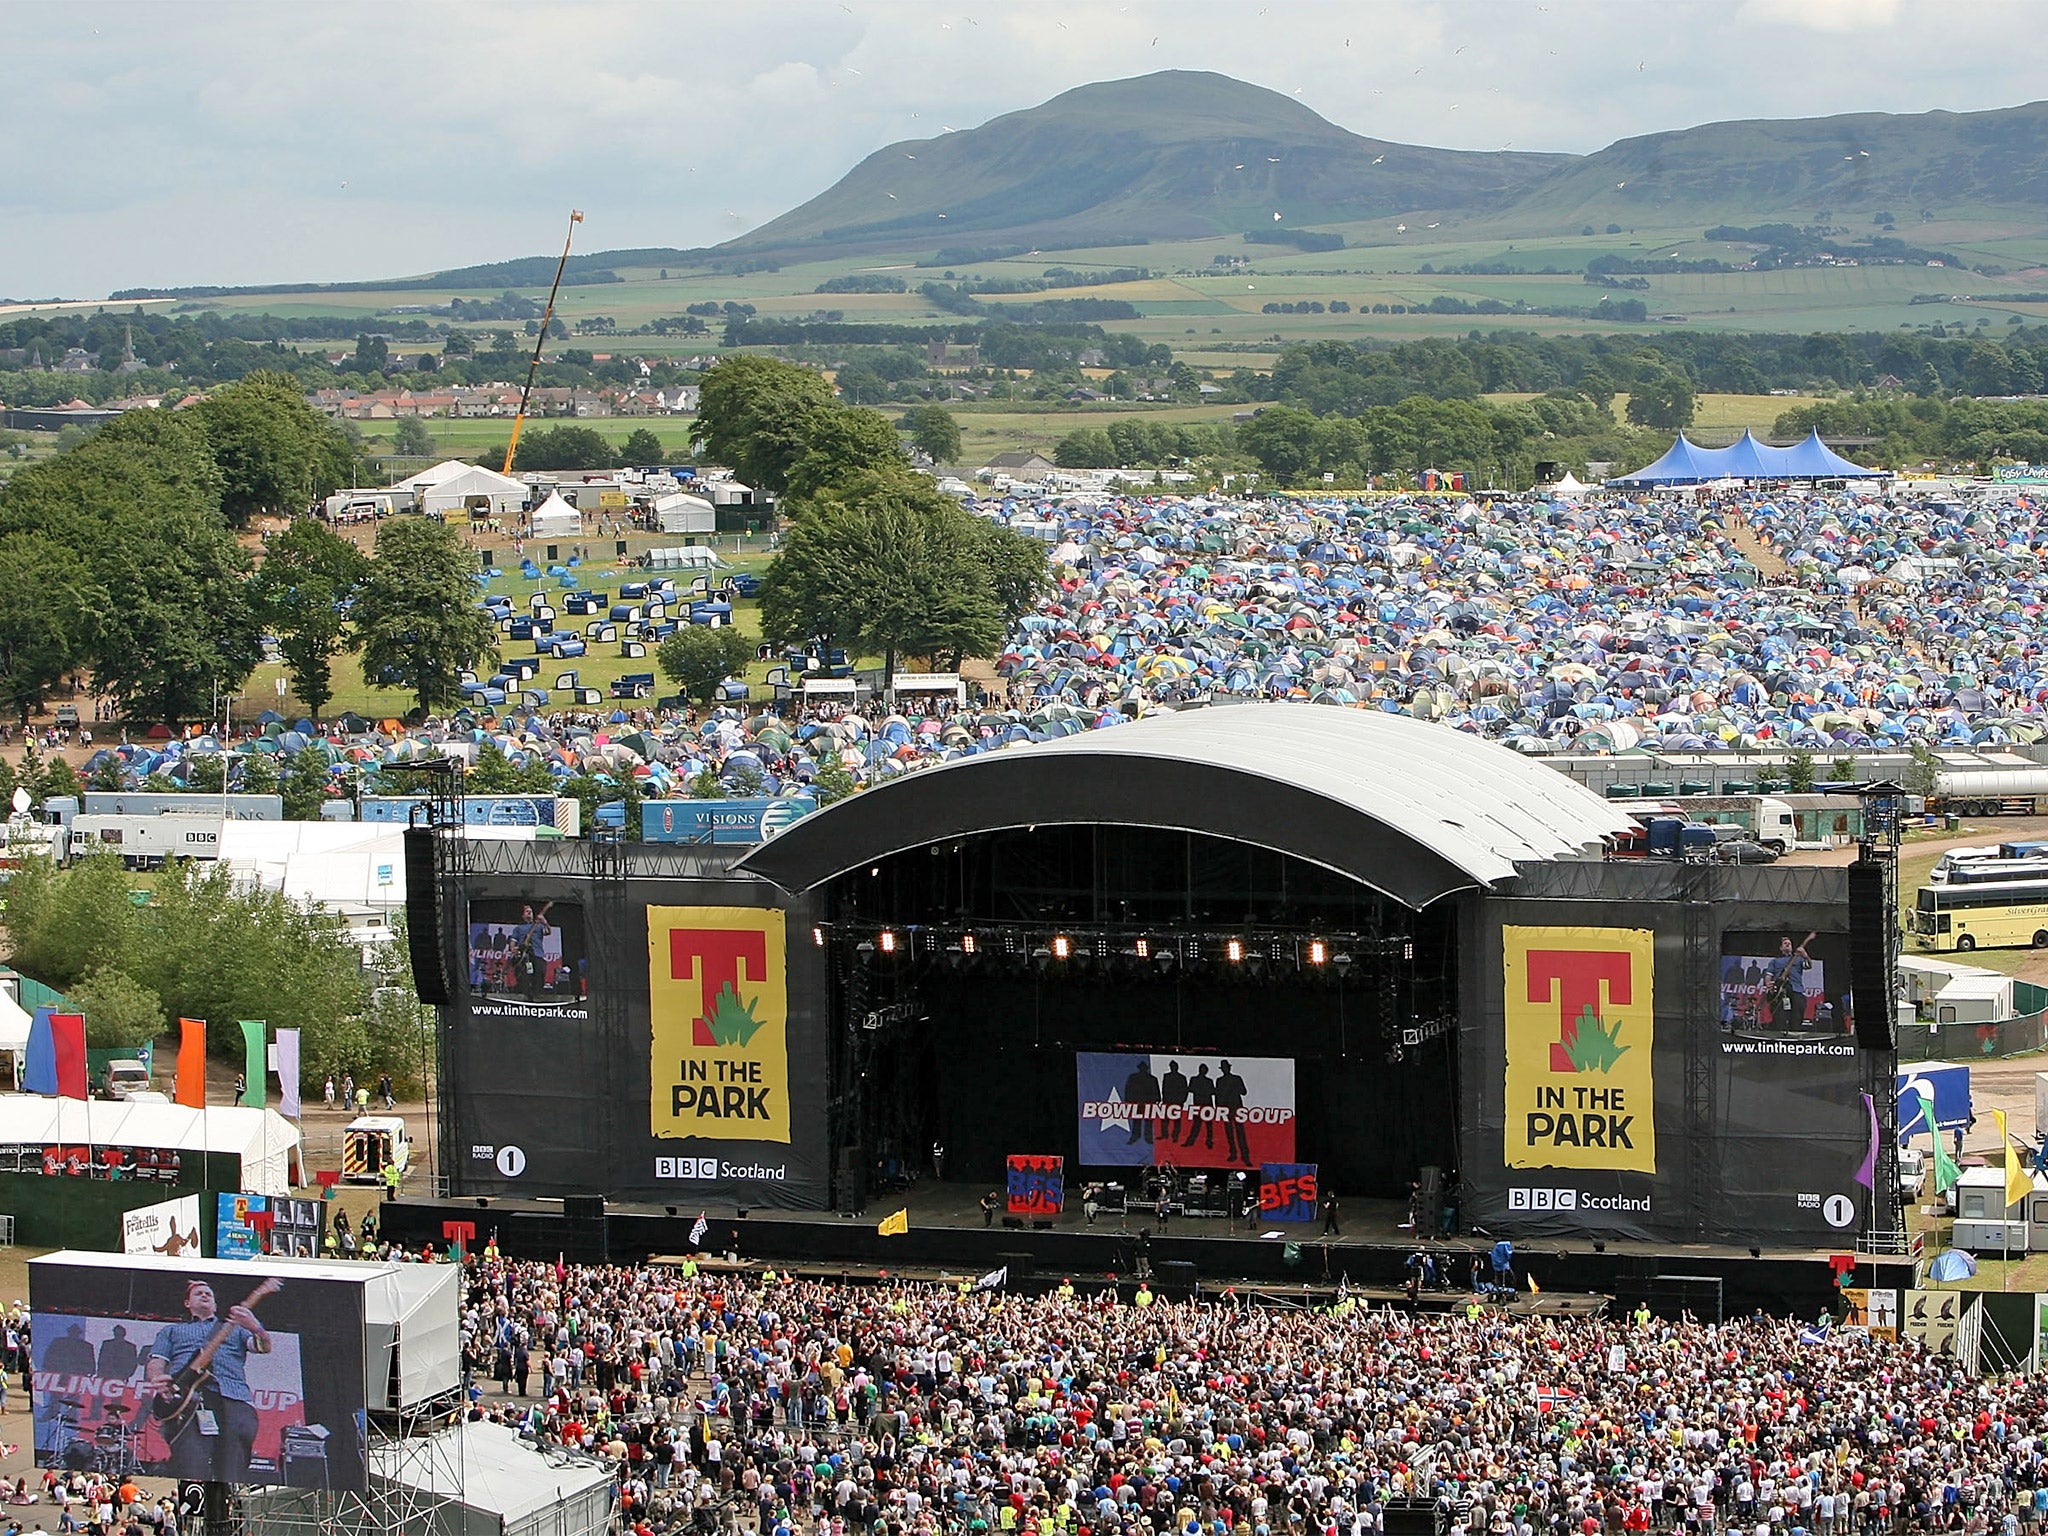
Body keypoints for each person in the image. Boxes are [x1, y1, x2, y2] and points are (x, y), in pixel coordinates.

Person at [146, 1280, 273, 1483]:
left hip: (233, 1398)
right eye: (198, 1293)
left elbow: (263, 1347)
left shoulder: (236, 1329)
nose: (205, 1295)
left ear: (215, 1305)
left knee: (232, 1469)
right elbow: (156, 1360)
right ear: (187, 1303)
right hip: (187, 1401)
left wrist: (257, 1328)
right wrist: (156, 1378)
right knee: (191, 1466)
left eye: (209, 1294)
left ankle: (226, 1510)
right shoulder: (171, 1331)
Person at [1215, 1059, 1252, 1164]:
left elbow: (1243, 1091)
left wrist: (1233, 1089)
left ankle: (1245, 1156)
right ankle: (1233, 1153)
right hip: (1226, 1109)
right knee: (1229, 1133)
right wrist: (1219, 1109)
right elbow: (1217, 1095)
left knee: (1240, 1132)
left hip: (1236, 1108)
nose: (1225, 1069)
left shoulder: (1236, 1079)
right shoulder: (1219, 1080)